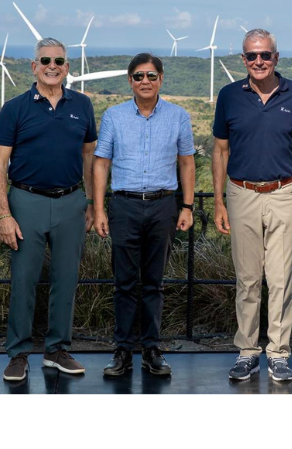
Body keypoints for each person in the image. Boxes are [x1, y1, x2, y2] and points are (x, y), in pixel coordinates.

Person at [212, 29, 292, 382]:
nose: (259, 61)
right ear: (243, 60)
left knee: (281, 278)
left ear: (276, 57)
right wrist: (218, 202)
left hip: (285, 192)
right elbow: (220, 151)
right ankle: (247, 352)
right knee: (247, 278)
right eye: (251, 56)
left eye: (265, 55)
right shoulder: (228, 95)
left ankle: (278, 353)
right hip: (240, 192)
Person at [0, 38, 97, 382]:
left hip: (71, 202)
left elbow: (89, 158)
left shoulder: (82, 105)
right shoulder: (15, 108)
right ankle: (18, 353)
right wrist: (4, 213)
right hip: (27, 201)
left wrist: (92, 203)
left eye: (59, 61)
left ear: (68, 67)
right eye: (45, 60)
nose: (53, 66)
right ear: (33, 66)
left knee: (65, 280)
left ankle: (56, 350)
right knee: (23, 280)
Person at [93, 54, 196, 377]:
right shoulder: (114, 116)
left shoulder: (178, 116)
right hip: (123, 205)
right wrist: (98, 209)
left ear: (161, 79)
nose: (145, 81)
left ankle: (151, 349)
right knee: (124, 283)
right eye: (139, 76)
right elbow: (101, 163)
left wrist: (188, 206)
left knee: (154, 283)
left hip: (163, 206)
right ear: (130, 81)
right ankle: (122, 350)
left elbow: (187, 162)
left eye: (151, 75)